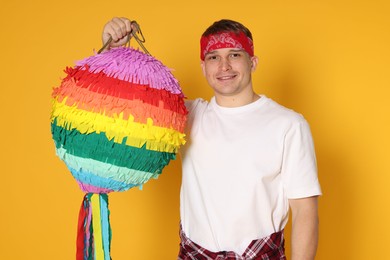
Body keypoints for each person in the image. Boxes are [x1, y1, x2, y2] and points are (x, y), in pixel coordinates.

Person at [102, 17, 322, 260]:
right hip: (194, 255)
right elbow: (124, 106)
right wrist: (115, 49)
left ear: (253, 62)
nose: (224, 66)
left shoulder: (289, 125)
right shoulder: (185, 115)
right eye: (213, 57)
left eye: (235, 55)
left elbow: (305, 211)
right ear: (203, 67)